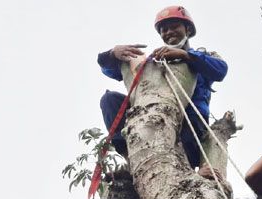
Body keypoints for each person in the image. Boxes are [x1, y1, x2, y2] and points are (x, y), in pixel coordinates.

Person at [97, 5, 228, 169]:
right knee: (109, 100)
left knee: (185, 146)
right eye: (164, 30)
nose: (168, 32)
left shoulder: (202, 57)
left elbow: (220, 70)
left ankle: (184, 169)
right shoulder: (154, 61)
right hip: (150, 115)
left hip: (189, 120)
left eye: (174, 27)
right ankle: (128, 152)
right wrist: (111, 54)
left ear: (187, 30)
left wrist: (186, 56)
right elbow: (110, 70)